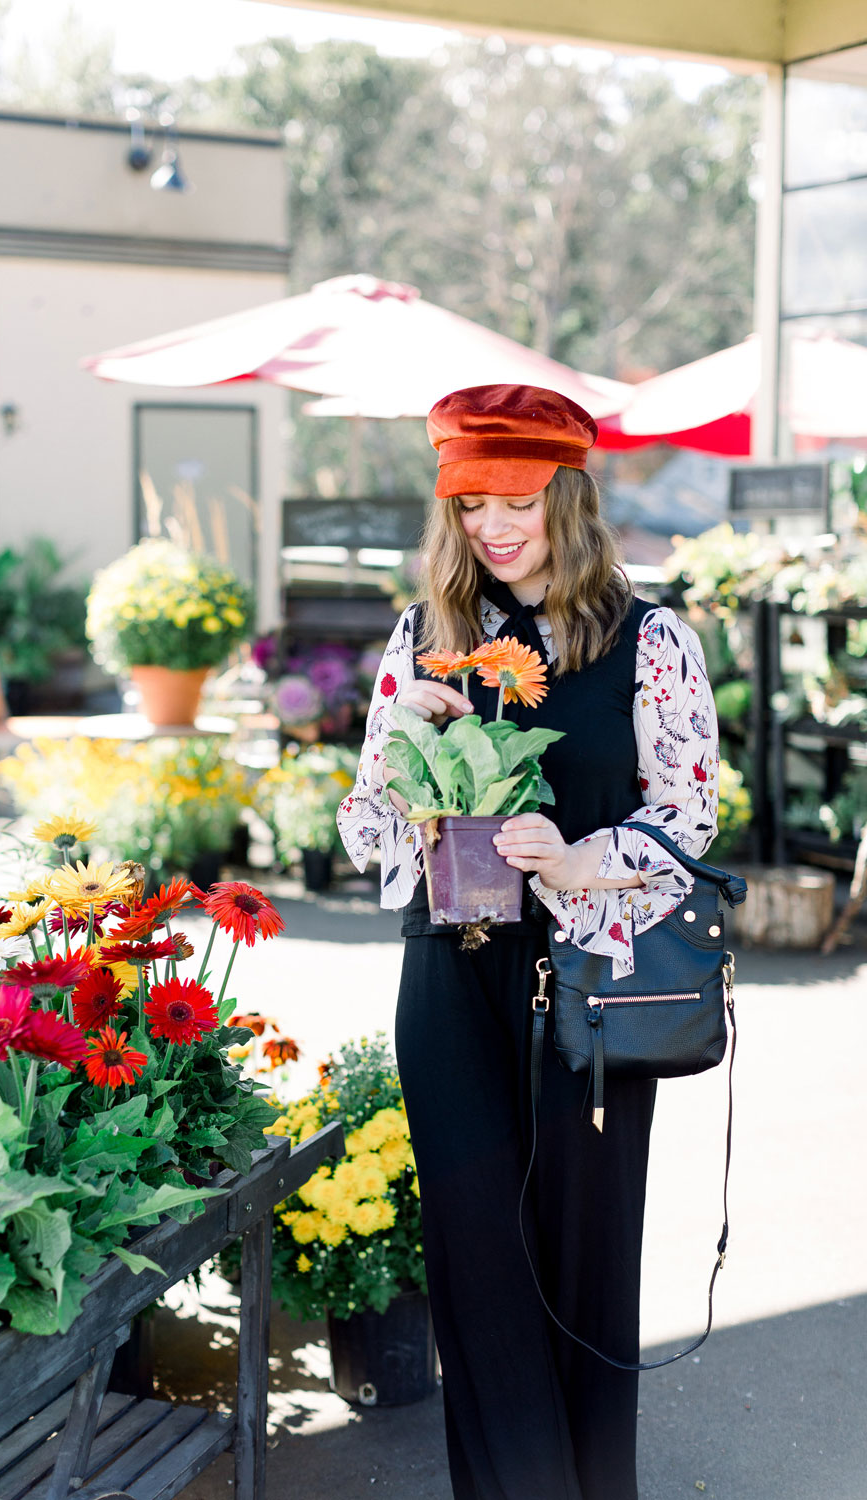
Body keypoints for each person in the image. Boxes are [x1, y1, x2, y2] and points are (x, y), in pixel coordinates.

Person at [336, 384, 719, 1500]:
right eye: (467, 506)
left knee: (585, 1249)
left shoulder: (654, 642)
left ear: (569, 496)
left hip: (593, 985)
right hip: (450, 983)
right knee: (475, 1259)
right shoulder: (425, 639)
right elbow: (362, 817)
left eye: (514, 502)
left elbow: (688, 817)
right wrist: (420, 779)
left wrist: (574, 854)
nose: (491, 529)